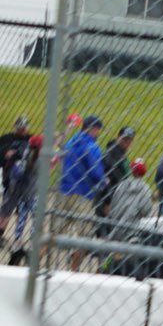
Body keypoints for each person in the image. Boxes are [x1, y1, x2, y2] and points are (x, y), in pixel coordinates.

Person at [58, 115, 105, 270]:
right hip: (83, 194)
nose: (98, 133)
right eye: (97, 130)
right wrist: (104, 181)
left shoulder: (70, 142)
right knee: (85, 235)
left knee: (55, 231)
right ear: (92, 129)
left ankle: (36, 261)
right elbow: (96, 172)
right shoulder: (92, 146)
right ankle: (74, 270)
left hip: (65, 190)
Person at [0, 116, 31, 236]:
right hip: (10, 178)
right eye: (20, 128)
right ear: (16, 128)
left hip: (26, 180)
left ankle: (17, 237)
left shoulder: (30, 140)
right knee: (6, 208)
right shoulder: (6, 139)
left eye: (24, 128)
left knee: (21, 209)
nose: (23, 131)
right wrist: (6, 154)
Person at [96, 126, 135, 232]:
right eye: (124, 139)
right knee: (105, 231)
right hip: (108, 201)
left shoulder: (120, 154)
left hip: (117, 198)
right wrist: (107, 202)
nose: (127, 142)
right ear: (118, 137)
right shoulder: (111, 155)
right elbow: (107, 180)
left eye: (129, 140)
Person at [107, 158, 154, 243]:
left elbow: (114, 203)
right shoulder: (145, 189)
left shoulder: (122, 184)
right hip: (133, 231)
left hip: (116, 227)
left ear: (132, 170)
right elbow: (146, 211)